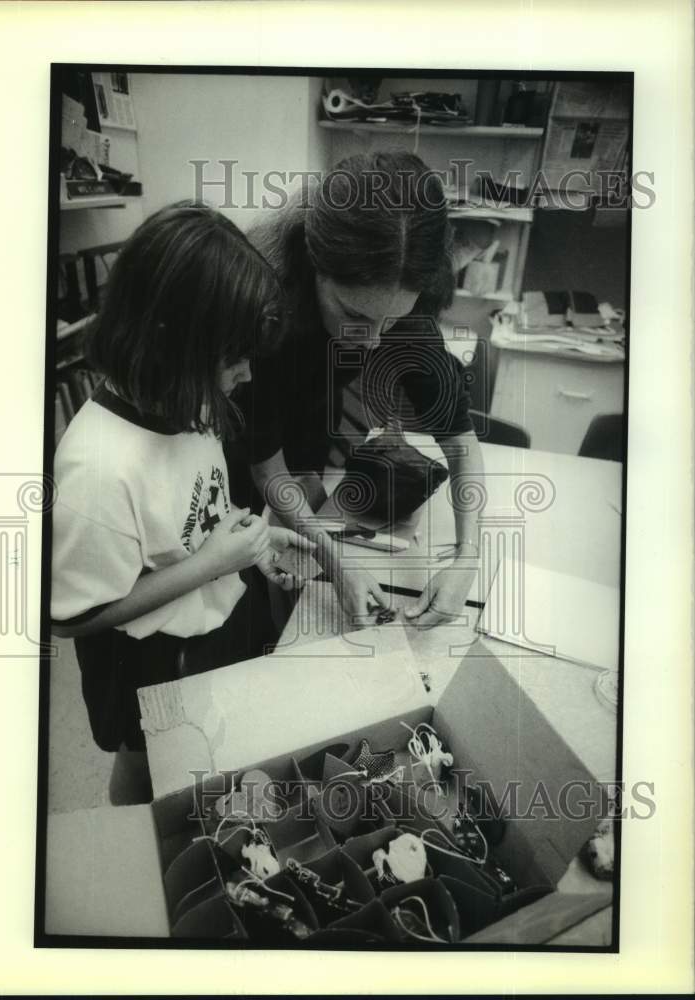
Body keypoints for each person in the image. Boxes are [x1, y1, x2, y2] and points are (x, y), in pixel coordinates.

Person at [50, 202, 314, 784]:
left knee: (199, 758)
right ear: (173, 346)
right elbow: (74, 618)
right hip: (146, 660)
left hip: (210, 618)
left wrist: (255, 545)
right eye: (233, 358)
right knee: (147, 772)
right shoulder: (98, 469)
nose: (247, 375)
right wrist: (210, 564)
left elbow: (198, 510)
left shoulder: (187, 399)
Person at [231, 151, 484, 629]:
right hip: (226, 451)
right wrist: (334, 560)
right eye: (354, 316)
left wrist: (466, 558)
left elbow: (461, 442)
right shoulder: (266, 306)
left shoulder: (402, 301)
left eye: (393, 321)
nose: (373, 341)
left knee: (301, 544)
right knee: (243, 580)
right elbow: (266, 467)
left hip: (307, 429)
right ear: (314, 269)